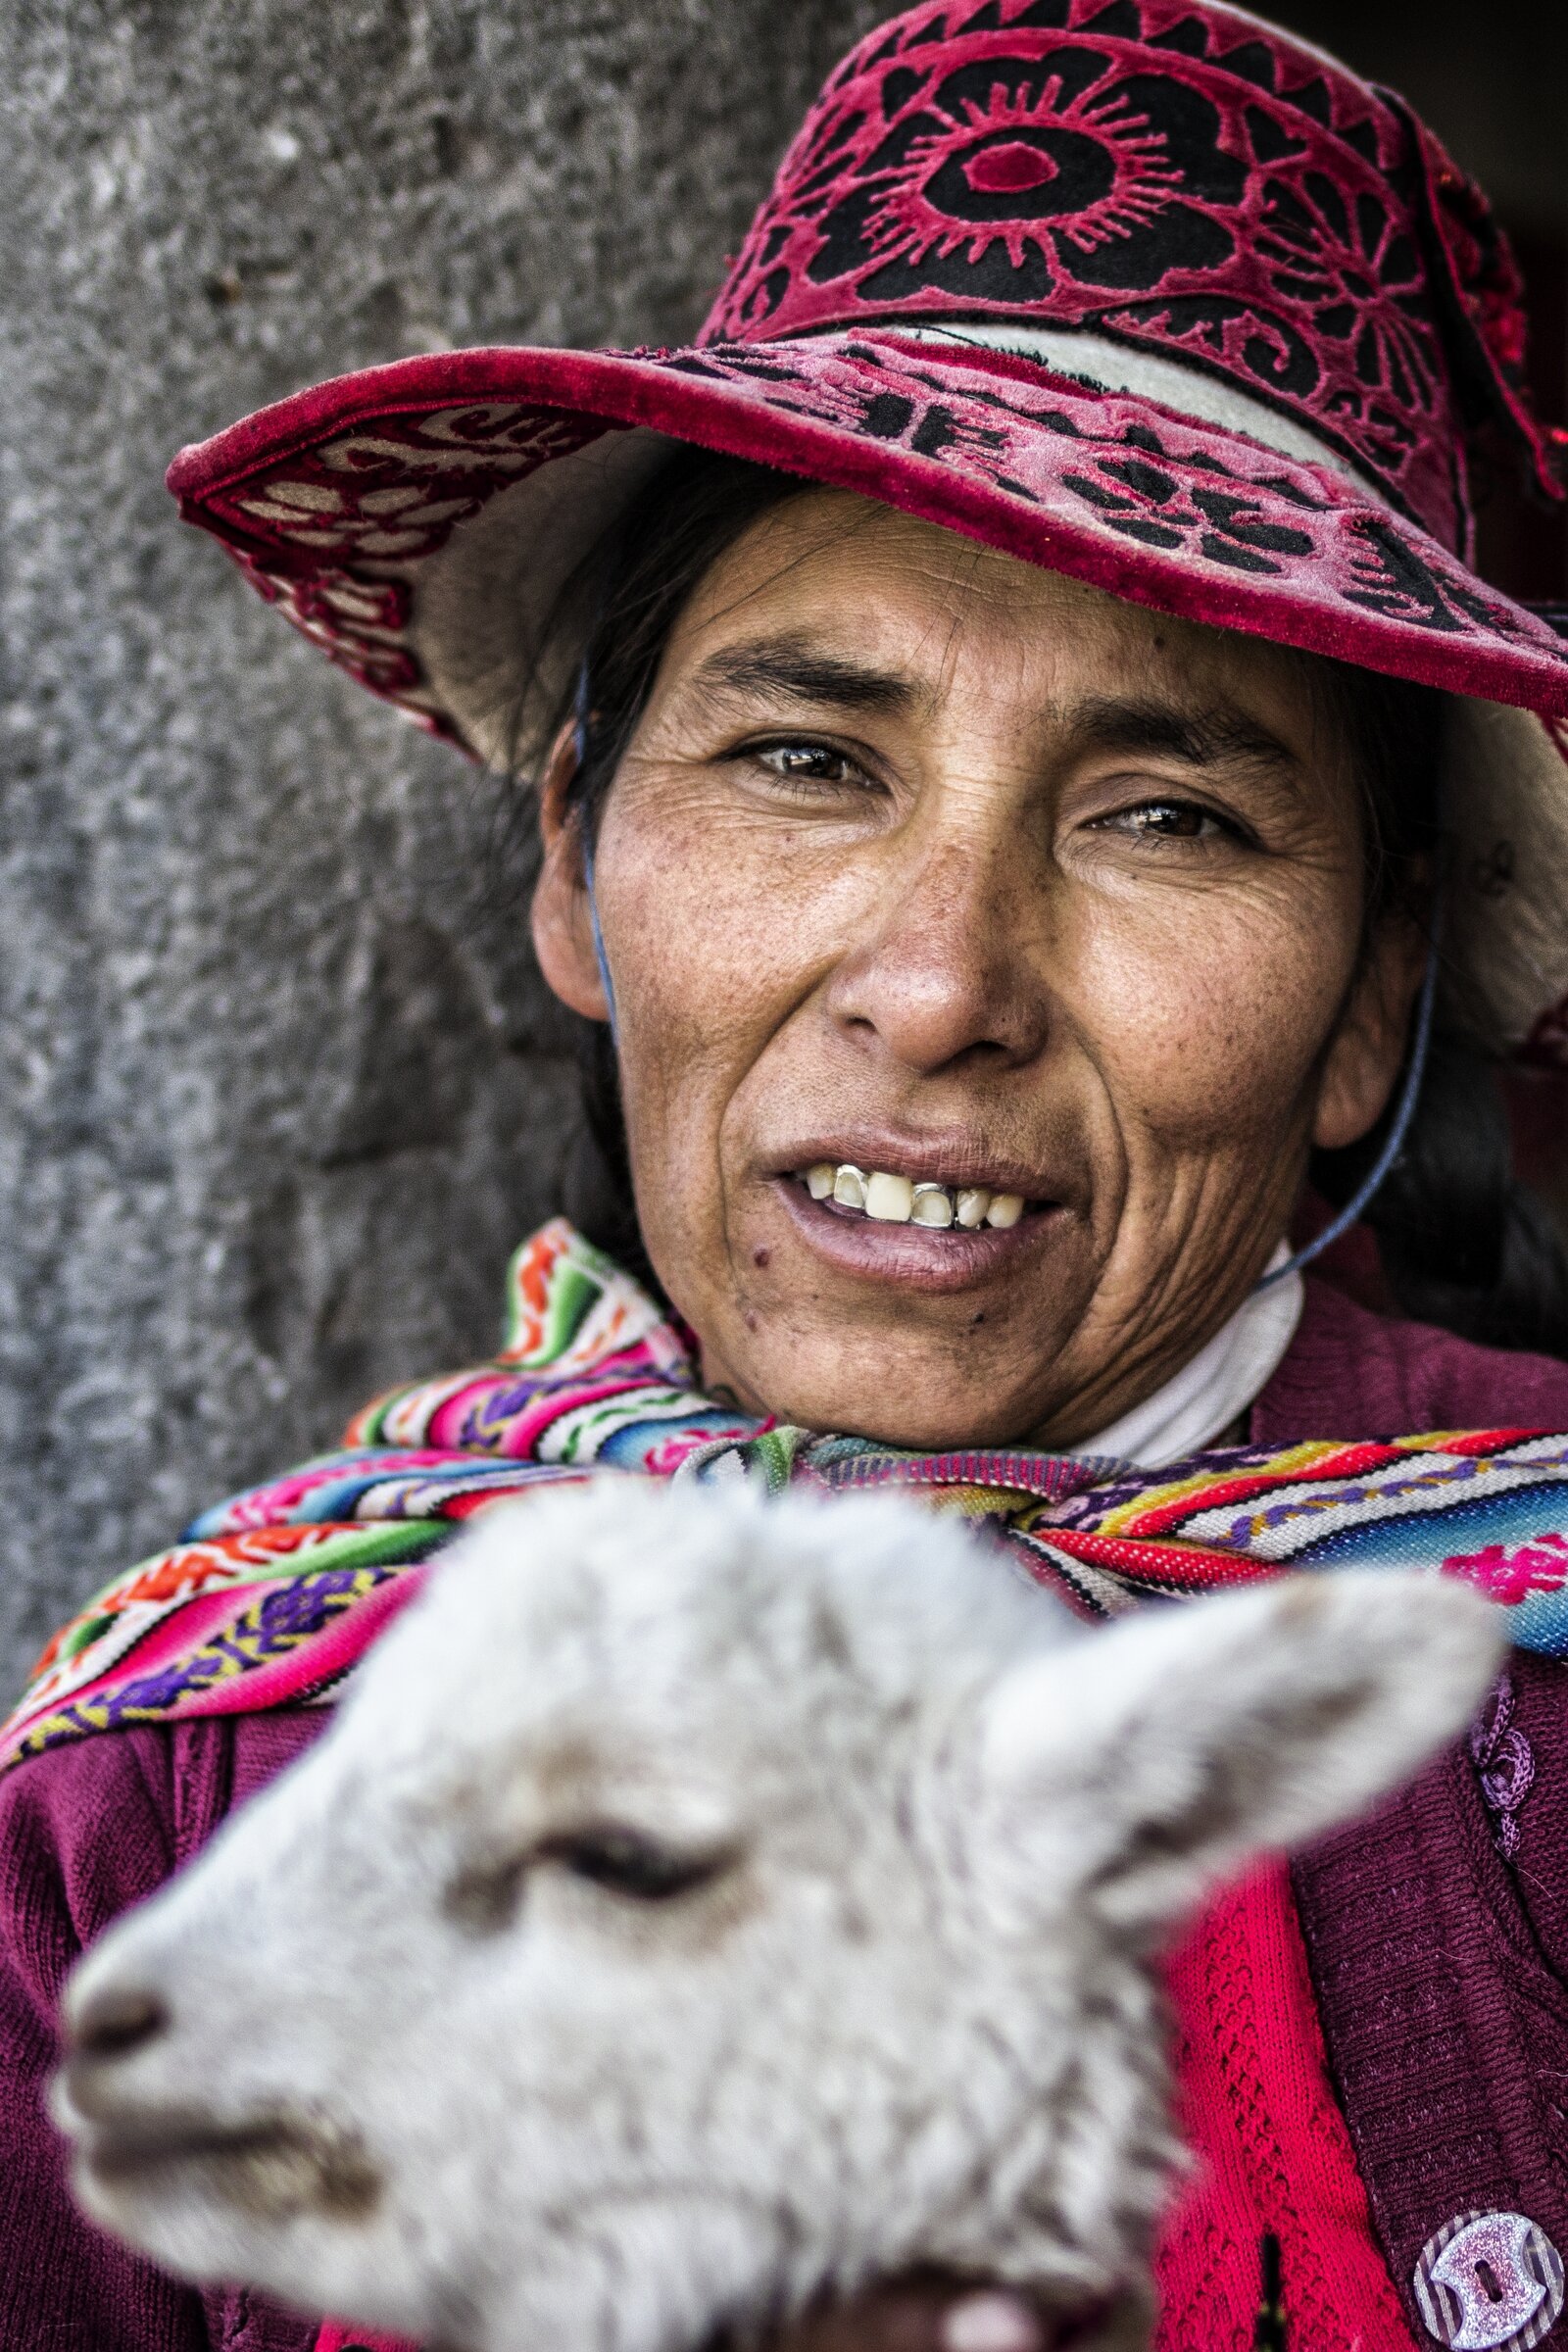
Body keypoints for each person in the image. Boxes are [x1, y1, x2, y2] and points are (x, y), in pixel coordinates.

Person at [6, 3, 1568, 2349]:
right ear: (573, 860)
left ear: (1367, 996)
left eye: (1165, 816)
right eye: (807, 757)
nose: (939, 984)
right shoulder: (158, 1798)